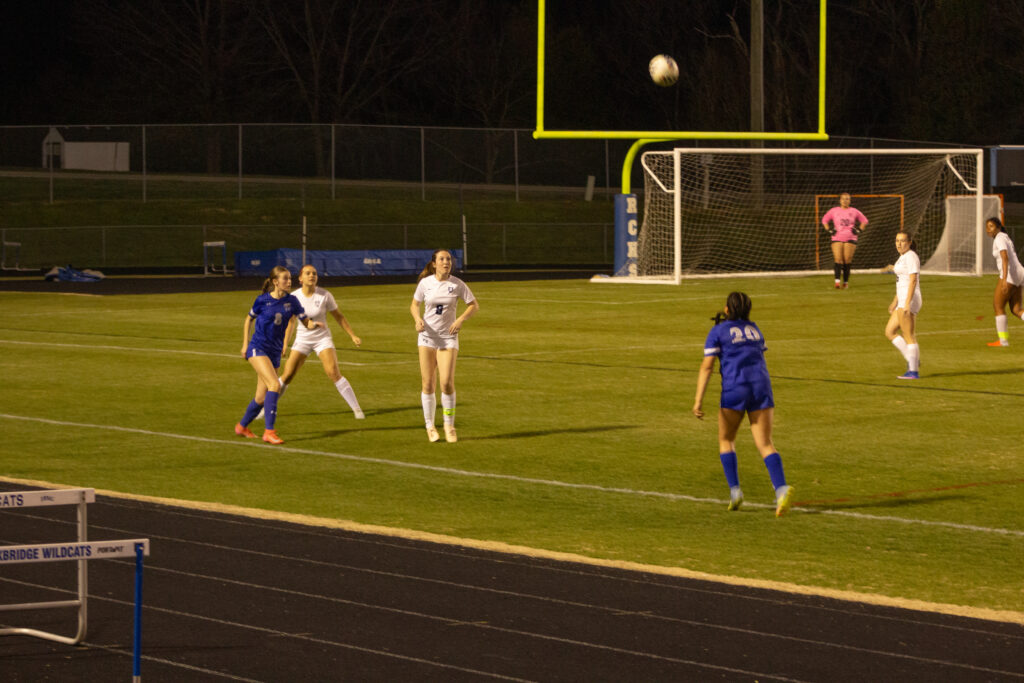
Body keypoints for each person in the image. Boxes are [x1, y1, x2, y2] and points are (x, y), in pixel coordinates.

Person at [692, 292, 793, 516]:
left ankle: (735, 492)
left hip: (735, 389)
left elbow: (706, 367)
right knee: (765, 443)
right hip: (761, 387)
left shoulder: (718, 331)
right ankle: (781, 489)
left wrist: (698, 400)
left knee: (726, 440)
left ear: (727, 309)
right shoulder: (755, 329)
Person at [235, 266, 324, 445]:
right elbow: (248, 319)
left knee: (261, 398)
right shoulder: (262, 300)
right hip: (258, 348)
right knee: (274, 385)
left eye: (290, 278)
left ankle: (242, 426)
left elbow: (305, 322)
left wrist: (313, 325)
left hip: (274, 352)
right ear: (275, 282)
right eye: (285, 279)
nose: (289, 282)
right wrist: (245, 344)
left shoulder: (292, 302)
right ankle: (270, 431)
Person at [274, 264, 365, 418]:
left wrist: (352, 335)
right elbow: (290, 323)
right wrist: (284, 344)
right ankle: (265, 407)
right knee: (287, 375)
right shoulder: (293, 297)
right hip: (302, 339)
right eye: (308, 273)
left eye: (314, 273)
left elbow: (339, 316)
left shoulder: (325, 295)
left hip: (322, 338)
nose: (312, 276)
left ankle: (357, 409)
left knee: (333, 372)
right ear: (300, 278)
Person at [410, 249, 479, 443]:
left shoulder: (457, 284)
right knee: (428, 383)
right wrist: (417, 319)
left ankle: (449, 425)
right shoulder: (425, 283)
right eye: (442, 259)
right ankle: (430, 426)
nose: (446, 262)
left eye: (448, 259)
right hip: (427, 337)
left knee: (447, 382)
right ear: (434, 263)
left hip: (448, 337)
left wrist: (460, 320)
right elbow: (414, 305)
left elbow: (474, 305)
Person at [885, 232, 921, 379]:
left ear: (909, 242)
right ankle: (912, 359)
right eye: (897, 241)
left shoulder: (911, 256)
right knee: (889, 331)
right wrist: (895, 301)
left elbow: (913, 281)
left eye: (903, 241)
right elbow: (902, 281)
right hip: (902, 299)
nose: (899, 244)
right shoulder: (902, 257)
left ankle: (913, 371)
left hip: (909, 299)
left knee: (908, 335)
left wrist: (906, 303)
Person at [984, 217, 1024, 347]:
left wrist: (1005, 279)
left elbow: (1005, 257)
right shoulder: (1005, 236)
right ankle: (1003, 341)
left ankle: (1003, 341)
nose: (988, 229)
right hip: (1020, 273)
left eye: (991, 226)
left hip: (1011, 275)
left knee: (998, 306)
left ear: (998, 227)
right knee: (1016, 309)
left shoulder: (1000, 238)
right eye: (987, 226)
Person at [821, 192, 868, 289]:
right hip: (837, 238)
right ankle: (837, 282)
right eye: (843, 199)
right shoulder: (834, 211)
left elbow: (864, 221)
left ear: (850, 201)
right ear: (840, 200)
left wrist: (858, 230)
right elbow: (824, 220)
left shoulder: (854, 211)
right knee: (838, 259)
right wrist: (829, 230)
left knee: (847, 260)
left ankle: (845, 282)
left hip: (850, 238)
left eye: (847, 199)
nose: (845, 201)